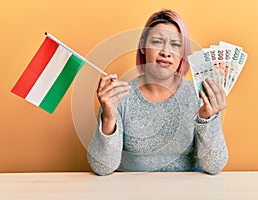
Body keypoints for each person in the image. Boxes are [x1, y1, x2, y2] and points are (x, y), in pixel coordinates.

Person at [88, 9, 228, 175]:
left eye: (176, 45)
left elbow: (214, 166)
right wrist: (108, 117)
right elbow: (102, 167)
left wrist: (206, 120)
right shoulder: (118, 96)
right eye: (157, 42)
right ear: (143, 46)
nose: (166, 52)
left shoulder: (200, 95)